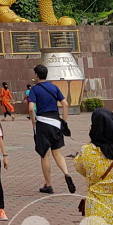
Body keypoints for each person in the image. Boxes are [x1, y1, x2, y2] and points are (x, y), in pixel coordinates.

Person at [28, 63, 75, 195]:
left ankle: (48, 185)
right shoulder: (54, 87)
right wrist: (64, 122)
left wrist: (33, 122)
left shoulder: (34, 89)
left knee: (45, 154)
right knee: (57, 153)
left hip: (42, 123)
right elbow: (65, 104)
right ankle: (66, 173)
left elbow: (31, 108)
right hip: (56, 122)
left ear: (36, 75)